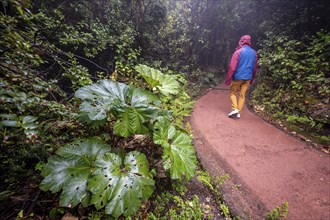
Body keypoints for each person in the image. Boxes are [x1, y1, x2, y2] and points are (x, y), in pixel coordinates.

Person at [225, 35, 258, 119]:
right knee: (242, 95)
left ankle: (234, 109)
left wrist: (228, 79)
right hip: (248, 78)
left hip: (238, 77)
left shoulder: (238, 52)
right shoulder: (254, 53)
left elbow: (232, 67)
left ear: (241, 41)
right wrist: (252, 78)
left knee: (233, 93)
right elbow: (254, 68)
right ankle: (238, 112)